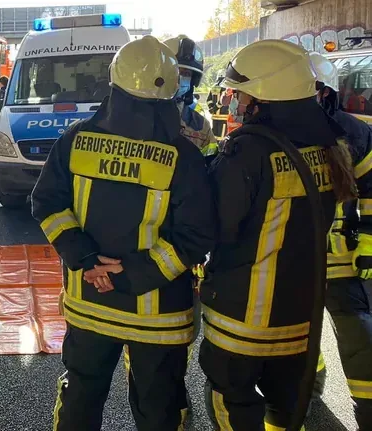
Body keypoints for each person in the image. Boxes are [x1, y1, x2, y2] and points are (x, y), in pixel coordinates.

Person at [31, 35, 215, 431]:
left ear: (113, 85)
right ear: (170, 92)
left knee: (81, 395)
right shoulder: (184, 157)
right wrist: (132, 275)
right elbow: (196, 236)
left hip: (89, 305)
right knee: (158, 409)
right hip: (158, 316)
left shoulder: (75, 140)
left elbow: (47, 204)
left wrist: (86, 261)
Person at [201, 39, 357, 430]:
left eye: (240, 94)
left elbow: (216, 224)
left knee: (232, 402)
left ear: (262, 99)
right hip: (297, 317)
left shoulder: (249, 151)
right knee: (286, 409)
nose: (234, 101)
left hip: (243, 318)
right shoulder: (326, 149)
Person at [309, 52, 372, 431]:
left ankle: (367, 412)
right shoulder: (273, 130)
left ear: (323, 91)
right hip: (296, 260)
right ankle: (309, 386)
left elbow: (371, 192)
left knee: (359, 341)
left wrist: (367, 245)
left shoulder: (355, 133)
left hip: (345, 260)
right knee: (300, 332)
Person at [163, 35, 218, 158]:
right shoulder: (140, 117)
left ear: (193, 80)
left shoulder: (201, 127)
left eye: (186, 73)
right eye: (176, 71)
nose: (180, 78)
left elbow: (210, 165)